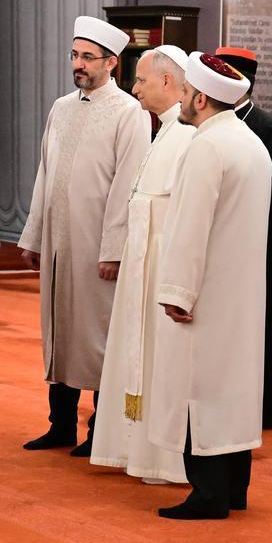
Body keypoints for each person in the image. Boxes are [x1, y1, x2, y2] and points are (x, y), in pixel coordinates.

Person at [19, 16, 150, 457]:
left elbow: (127, 185)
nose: (78, 64)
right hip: (58, 243)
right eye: (75, 55)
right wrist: (33, 235)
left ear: (111, 62)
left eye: (87, 58)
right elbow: (45, 173)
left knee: (95, 336)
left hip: (96, 246)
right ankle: (60, 424)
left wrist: (114, 248)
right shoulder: (61, 107)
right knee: (58, 329)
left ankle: (100, 429)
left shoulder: (129, 112)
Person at [148, 52, 272, 519]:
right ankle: (233, 487)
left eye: (183, 92)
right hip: (239, 294)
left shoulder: (206, 146)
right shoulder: (250, 143)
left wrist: (176, 291)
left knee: (198, 393)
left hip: (205, 295)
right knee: (231, 393)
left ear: (200, 97)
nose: (179, 99)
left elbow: (189, 226)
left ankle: (207, 494)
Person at [91, 45, 194, 484]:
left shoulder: (186, 137)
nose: (135, 90)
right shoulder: (164, 133)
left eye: (142, 81)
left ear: (168, 83)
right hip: (142, 271)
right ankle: (134, 449)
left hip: (161, 273)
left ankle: (161, 458)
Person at [216, 47, 272, 428]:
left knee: (265, 327)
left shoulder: (268, 129)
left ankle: (270, 405)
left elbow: (271, 198)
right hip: (223, 247)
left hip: (261, 247)